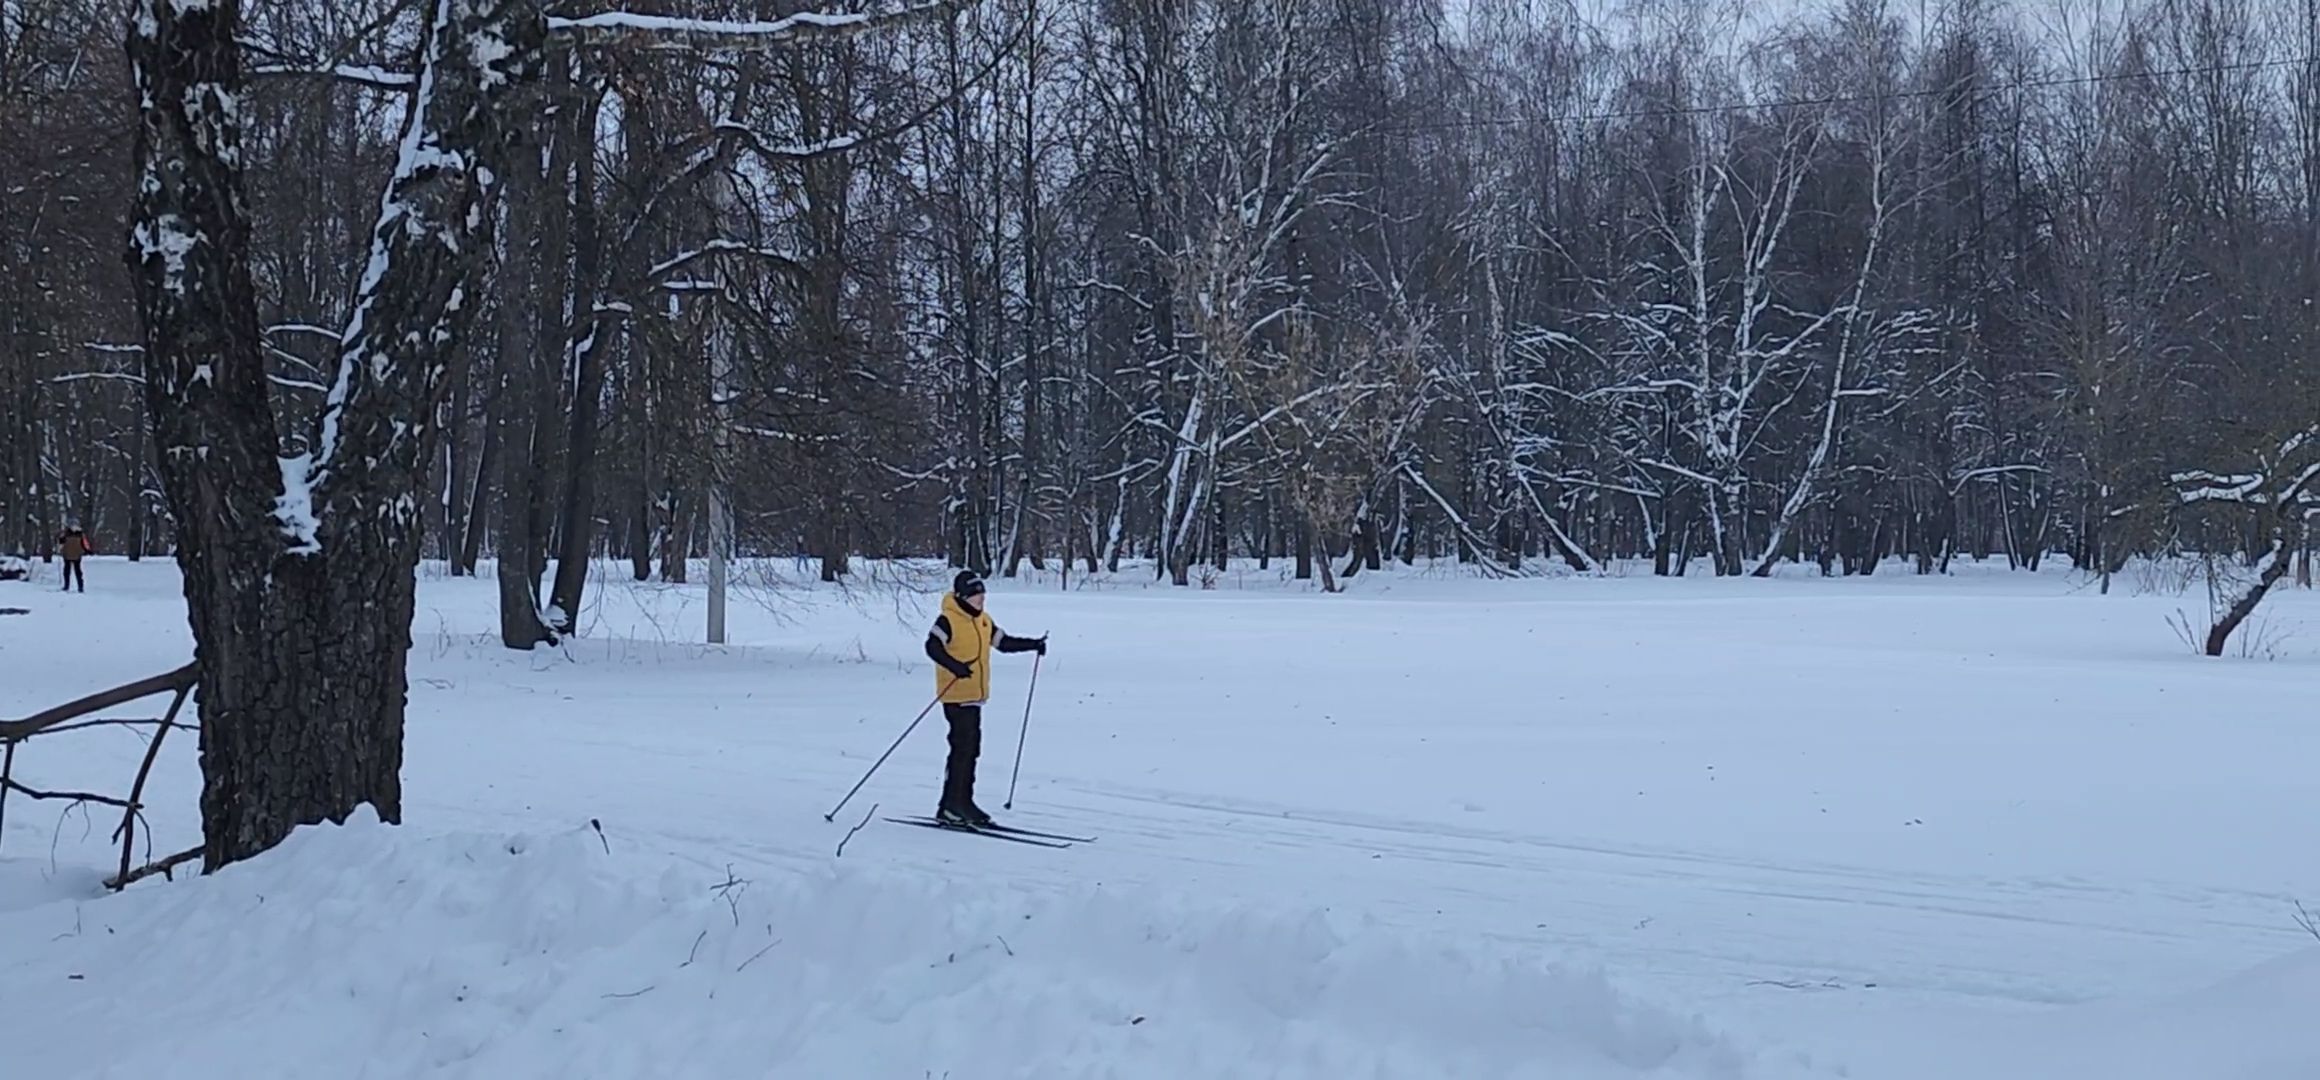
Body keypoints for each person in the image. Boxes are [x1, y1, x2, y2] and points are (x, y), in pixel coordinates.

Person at [923, 570, 1045, 827]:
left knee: (970, 751)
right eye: (975, 595)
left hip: (975, 697)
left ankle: (962, 803)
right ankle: (951, 805)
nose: (981, 600)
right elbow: (932, 646)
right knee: (962, 750)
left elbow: (1004, 642)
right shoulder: (948, 620)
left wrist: (1033, 644)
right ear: (962, 596)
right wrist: (954, 666)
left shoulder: (983, 621)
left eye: (982, 595)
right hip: (955, 695)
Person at [57, 526, 93, 593]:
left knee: (67, 571)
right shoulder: (80, 535)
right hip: (77, 555)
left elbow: (61, 542)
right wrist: (88, 551)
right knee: (78, 571)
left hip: (67, 554)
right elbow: (85, 544)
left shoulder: (66, 534)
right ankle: (80, 587)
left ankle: (66, 586)